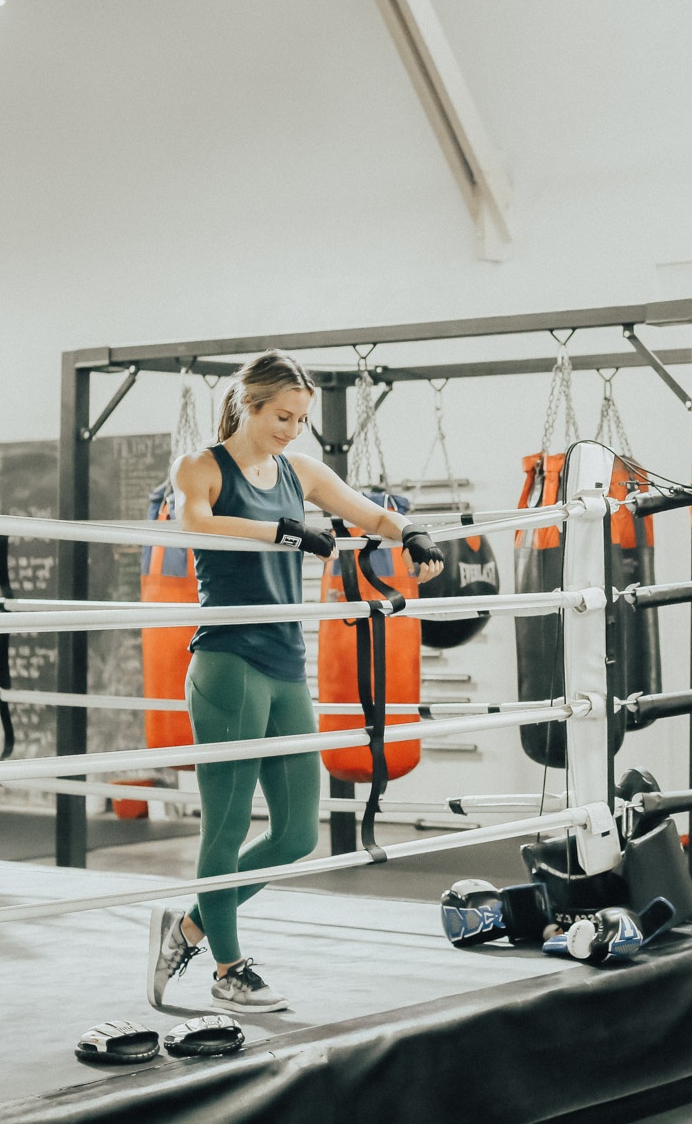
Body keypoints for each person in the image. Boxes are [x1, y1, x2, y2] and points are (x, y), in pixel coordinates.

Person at [146, 350, 442, 1013]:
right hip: (227, 660)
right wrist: (283, 532)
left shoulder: (299, 471)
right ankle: (228, 968)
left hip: (286, 666)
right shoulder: (201, 467)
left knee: (296, 834)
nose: (291, 430)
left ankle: (190, 926)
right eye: (282, 416)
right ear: (249, 404)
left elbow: (369, 514)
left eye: (300, 419)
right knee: (224, 830)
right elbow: (195, 523)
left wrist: (412, 533)